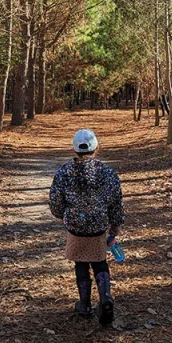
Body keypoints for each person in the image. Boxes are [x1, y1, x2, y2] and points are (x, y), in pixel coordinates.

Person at [49, 129, 125, 326]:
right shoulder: (107, 173)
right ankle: (106, 296)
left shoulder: (64, 172)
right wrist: (115, 225)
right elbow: (116, 201)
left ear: (74, 150)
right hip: (99, 226)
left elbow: (56, 202)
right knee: (100, 262)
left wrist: (63, 216)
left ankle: (84, 305)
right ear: (96, 148)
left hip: (75, 226)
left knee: (81, 263)